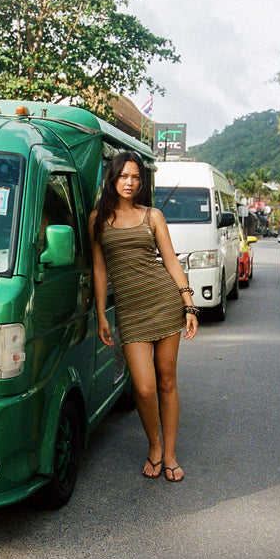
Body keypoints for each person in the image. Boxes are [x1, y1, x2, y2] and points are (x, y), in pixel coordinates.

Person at [89, 151, 198, 482]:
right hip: (130, 309)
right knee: (145, 388)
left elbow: (171, 261)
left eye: (135, 177)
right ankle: (154, 445)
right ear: (113, 179)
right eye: (124, 176)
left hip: (164, 302)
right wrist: (100, 314)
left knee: (167, 380)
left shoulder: (153, 216)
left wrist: (188, 303)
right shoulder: (97, 219)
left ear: (141, 181)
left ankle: (169, 454)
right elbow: (99, 268)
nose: (130, 182)